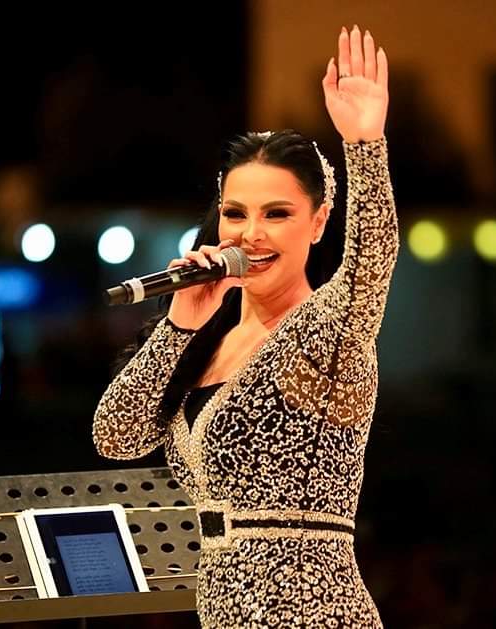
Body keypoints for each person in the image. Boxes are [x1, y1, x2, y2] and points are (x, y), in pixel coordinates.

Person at [93, 25, 396, 627]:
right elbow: (116, 436)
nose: (250, 234)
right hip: (222, 607)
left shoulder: (327, 331)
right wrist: (180, 325)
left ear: (318, 223)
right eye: (235, 213)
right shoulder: (209, 340)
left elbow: (373, 259)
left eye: (276, 214)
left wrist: (365, 144)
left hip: (313, 610)